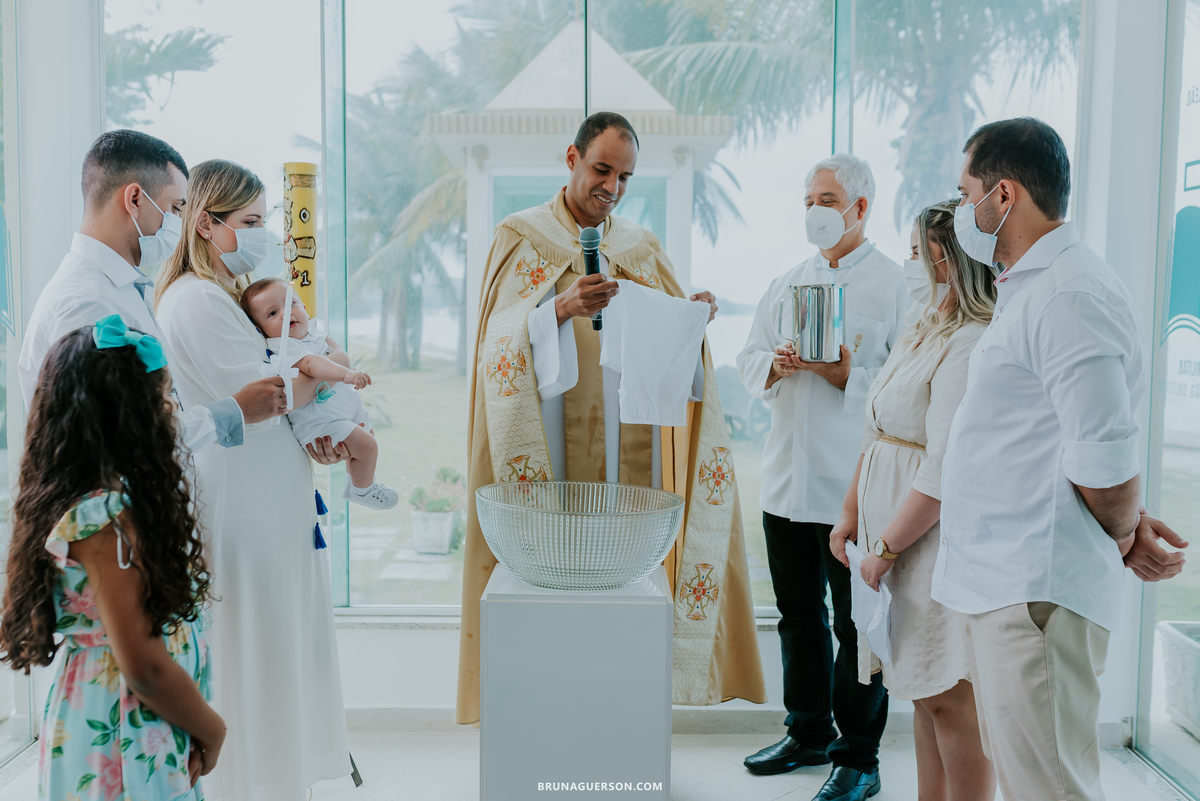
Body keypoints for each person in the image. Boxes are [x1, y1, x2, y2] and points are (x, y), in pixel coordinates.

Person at [457, 111, 766, 723]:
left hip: (630, 451)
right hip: (546, 440)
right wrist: (558, 309)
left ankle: (618, 718)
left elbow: (674, 349)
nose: (613, 188)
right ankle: (545, 719)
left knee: (623, 592)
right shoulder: (520, 236)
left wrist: (691, 320)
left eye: (625, 177)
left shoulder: (639, 248)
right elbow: (494, 342)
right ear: (571, 159)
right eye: (602, 170)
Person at [935, 117, 1189, 801]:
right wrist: (1127, 522)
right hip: (1006, 582)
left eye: (966, 193)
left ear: (1004, 195)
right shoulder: (1031, 286)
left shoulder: (1070, 293)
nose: (962, 210)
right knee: (1030, 781)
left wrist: (1127, 527)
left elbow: (1104, 457)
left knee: (1051, 788)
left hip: (1034, 590)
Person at [154, 160, 352, 799]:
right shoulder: (197, 299)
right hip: (238, 503)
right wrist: (326, 370)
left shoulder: (228, 296)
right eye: (251, 222)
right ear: (207, 225)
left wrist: (312, 400)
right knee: (254, 646)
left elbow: (285, 393)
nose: (263, 234)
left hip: (269, 499)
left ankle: (277, 777)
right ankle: (250, 781)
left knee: (278, 642)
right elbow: (267, 397)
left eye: (266, 220)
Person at [737, 153, 909, 800]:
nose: (816, 209)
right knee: (796, 616)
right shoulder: (787, 281)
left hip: (853, 490)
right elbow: (749, 354)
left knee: (857, 626)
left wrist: (847, 376)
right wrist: (775, 367)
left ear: (861, 208)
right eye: (810, 197)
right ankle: (806, 729)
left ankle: (858, 755)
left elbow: (906, 385)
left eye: (828, 198)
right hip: (785, 481)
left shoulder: (896, 287)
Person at [0, 321, 224, 799]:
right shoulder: (102, 522)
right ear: (125, 416)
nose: (169, 408)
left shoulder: (102, 504)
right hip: (123, 730)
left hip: (131, 723)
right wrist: (214, 729)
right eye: (160, 398)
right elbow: (145, 668)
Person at [829, 200, 996, 801]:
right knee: (922, 694)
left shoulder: (973, 341)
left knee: (950, 697)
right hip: (889, 536)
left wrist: (886, 548)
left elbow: (944, 464)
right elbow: (877, 427)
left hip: (928, 543)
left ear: (949, 260)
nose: (912, 262)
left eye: (920, 252)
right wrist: (851, 510)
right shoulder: (924, 322)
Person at [16, 129, 299, 455]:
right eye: (176, 208)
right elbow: (119, 439)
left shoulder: (120, 290)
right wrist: (234, 411)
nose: (180, 223)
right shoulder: (87, 303)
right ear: (134, 199)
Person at [241, 276, 399, 509]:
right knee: (367, 446)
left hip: (342, 412)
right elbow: (312, 365)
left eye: (291, 304)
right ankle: (364, 491)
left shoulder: (313, 336)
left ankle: (355, 483)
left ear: (304, 308)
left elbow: (335, 353)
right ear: (260, 329)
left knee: (368, 436)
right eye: (272, 314)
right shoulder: (282, 346)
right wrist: (344, 373)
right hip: (322, 424)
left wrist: (340, 361)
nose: (285, 314)